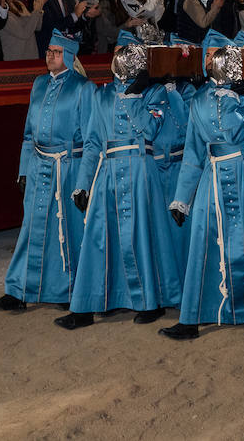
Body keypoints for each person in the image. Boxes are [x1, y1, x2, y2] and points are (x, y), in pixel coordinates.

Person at [160, 38, 244, 340]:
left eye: (217, 58)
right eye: (209, 58)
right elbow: (193, 152)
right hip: (212, 174)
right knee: (203, 240)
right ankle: (191, 318)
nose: (211, 64)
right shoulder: (199, 99)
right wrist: (182, 199)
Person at [59, 42, 182, 329]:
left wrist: (133, 96)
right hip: (109, 173)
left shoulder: (154, 93)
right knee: (97, 238)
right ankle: (86, 305)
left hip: (141, 170)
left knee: (143, 234)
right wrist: (82, 184)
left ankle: (151, 302)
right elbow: (91, 143)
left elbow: (149, 130)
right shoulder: (101, 96)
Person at [0, 31, 96, 312]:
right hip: (38, 167)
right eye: (48, 50)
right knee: (31, 229)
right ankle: (18, 290)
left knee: (67, 230)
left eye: (57, 51)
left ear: (70, 56)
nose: (50, 55)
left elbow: (91, 141)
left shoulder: (84, 89)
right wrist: (24, 170)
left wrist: (83, 183)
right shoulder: (37, 84)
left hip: (68, 170)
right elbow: (28, 135)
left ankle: (69, 291)